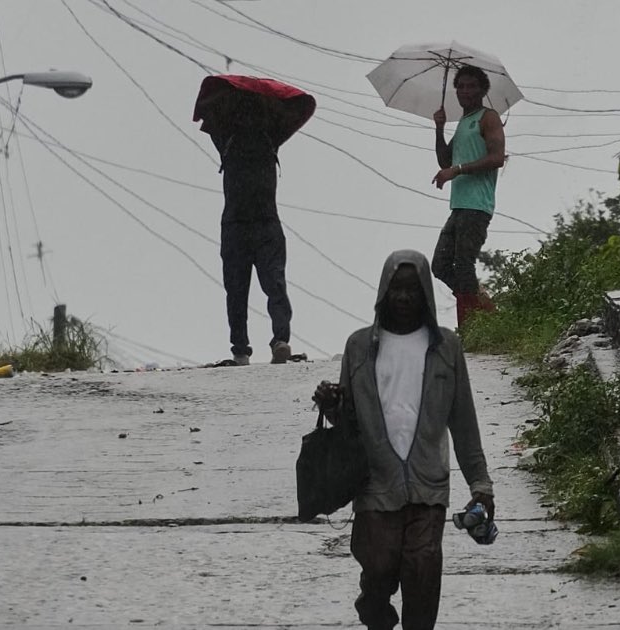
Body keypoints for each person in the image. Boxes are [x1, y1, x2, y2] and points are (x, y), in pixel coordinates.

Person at [312, 249, 495, 630]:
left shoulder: (447, 348)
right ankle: (373, 606)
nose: (405, 297)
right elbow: (347, 424)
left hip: (428, 485)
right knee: (378, 567)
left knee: (423, 572)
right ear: (384, 292)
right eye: (397, 289)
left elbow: (463, 421)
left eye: (413, 289)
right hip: (375, 484)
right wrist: (331, 404)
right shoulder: (359, 347)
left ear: (426, 293)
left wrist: (480, 483)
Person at [212, 92, 293, 365]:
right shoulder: (227, 137)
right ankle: (243, 347)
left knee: (272, 285)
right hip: (242, 225)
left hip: (260, 224)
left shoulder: (269, 136)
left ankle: (274, 341)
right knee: (242, 288)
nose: (248, 117)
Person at [430, 65, 506, 330]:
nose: (466, 91)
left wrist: (458, 170)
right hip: (459, 205)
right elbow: (445, 160)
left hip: (477, 205)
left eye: (472, 85)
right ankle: (483, 308)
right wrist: (439, 128)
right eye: (461, 86)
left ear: (483, 89)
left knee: (463, 265)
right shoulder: (463, 122)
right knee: (440, 265)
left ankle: (472, 328)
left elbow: (497, 158)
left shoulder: (489, 117)